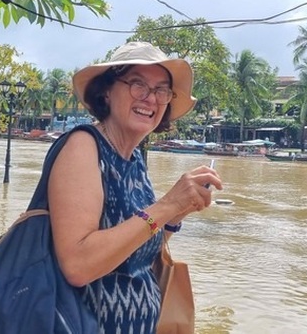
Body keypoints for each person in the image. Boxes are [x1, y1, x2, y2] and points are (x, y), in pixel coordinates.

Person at [49, 41, 222, 333]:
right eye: (137, 84)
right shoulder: (83, 146)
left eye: (160, 90)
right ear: (106, 90)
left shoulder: (134, 160)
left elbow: (135, 246)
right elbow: (78, 265)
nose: (150, 98)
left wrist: (176, 214)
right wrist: (166, 205)